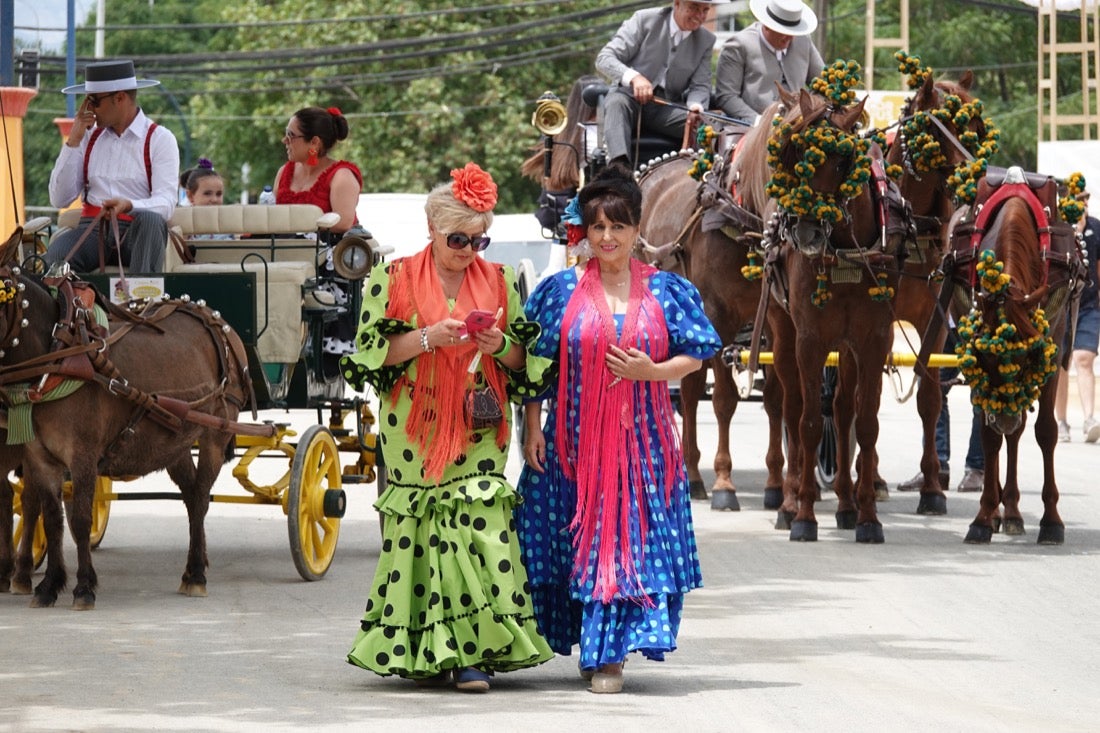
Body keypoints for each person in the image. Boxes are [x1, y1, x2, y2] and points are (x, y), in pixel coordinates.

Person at [342, 162, 552, 693]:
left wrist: (498, 344)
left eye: (480, 241)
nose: (469, 250)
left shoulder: (501, 281)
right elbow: (371, 356)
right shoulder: (389, 280)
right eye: (459, 238)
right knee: (426, 529)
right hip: (413, 424)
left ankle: (472, 656)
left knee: (478, 525)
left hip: (480, 422)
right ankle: (431, 652)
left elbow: (527, 361)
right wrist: (429, 337)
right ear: (432, 228)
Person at [516, 164, 722, 694]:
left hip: (642, 445)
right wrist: (531, 426)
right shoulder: (557, 291)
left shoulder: (669, 290)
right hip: (570, 443)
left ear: (636, 231)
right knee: (572, 542)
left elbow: (696, 355)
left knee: (628, 545)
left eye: (618, 227)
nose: (607, 238)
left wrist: (651, 372)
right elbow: (537, 365)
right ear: (583, 232)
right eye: (597, 228)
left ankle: (611, 657)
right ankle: (592, 643)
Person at [46, 59, 180, 274]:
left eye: (94, 101)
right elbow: (59, 199)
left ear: (119, 98)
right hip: (92, 230)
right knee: (55, 257)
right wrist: (73, 140)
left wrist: (129, 205)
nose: (88, 109)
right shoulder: (87, 137)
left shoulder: (159, 138)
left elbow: (166, 203)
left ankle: (141, 301)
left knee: (152, 222)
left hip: (136, 230)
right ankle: (75, 306)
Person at [273, 106, 363, 367]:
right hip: (284, 256)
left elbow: (344, 221)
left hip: (327, 261)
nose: (285, 141)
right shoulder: (285, 172)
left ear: (314, 142)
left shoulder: (342, 175)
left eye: (291, 135)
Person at [595, 0, 725, 168]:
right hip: (628, 97)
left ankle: (703, 178)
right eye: (694, 8)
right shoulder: (644, 19)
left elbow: (700, 86)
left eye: (705, 10)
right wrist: (634, 77)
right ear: (677, 4)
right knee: (616, 103)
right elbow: (604, 58)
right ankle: (619, 172)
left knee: (711, 124)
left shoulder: (706, 40)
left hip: (665, 107)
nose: (699, 16)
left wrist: (695, 106)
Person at [897, 327, 986, 493]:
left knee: (981, 397)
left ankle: (976, 467)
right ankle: (937, 465)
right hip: (945, 326)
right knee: (931, 390)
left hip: (976, 326)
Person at [714, 0, 824, 123]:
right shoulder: (738, 45)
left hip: (798, 125)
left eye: (794, 32)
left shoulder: (803, 41)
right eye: (785, 32)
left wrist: (809, 109)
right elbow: (727, 96)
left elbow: (824, 84)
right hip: (752, 127)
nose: (791, 38)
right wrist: (758, 121)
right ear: (767, 25)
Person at [1055, 199, 1100, 443]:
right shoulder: (1059, 228)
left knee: (1084, 358)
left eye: (1084, 198)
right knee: (1062, 364)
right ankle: (1061, 421)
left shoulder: (1096, 227)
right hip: (1062, 306)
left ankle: (1089, 418)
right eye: (1076, 198)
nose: (1081, 203)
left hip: (1089, 306)